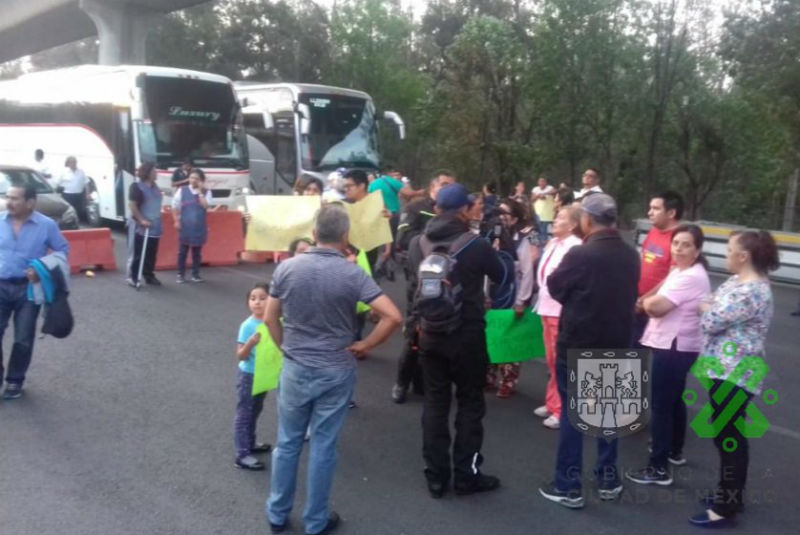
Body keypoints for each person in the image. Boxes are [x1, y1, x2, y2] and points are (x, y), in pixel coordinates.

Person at [265, 204, 402, 535]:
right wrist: (366, 345)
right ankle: (316, 521)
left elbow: (270, 316)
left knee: (287, 442)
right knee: (324, 446)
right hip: (336, 369)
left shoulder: (287, 268)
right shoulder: (353, 273)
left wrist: (285, 346)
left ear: (313, 234)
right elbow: (393, 317)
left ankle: (277, 513)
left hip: (296, 366)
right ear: (345, 237)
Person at [538, 193, 639, 509]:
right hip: (618, 341)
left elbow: (556, 287)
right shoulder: (630, 254)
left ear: (588, 220)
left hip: (581, 341)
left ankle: (568, 485)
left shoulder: (582, 255)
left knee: (573, 414)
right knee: (608, 413)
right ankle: (608, 479)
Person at [407, 183, 506, 498]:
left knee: (435, 405)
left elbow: (415, 285)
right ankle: (467, 475)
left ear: (436, 209)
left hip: (430, 334)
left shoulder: (417, 243)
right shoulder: (475, 244)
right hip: (467, 335)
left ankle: (436, 477)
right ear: (464, 210)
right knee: (470, 404)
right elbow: (502, 274)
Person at [688, 230, 779, 527]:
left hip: (735, 373)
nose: (725, 255)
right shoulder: (736, 282)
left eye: (729, 250)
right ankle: (730, 494)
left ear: (744, 256)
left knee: (729, 438)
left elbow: (711, 318)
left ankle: (726, 506)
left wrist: (708, 309)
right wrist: (709, 307)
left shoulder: (751, 291)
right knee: (727, 434)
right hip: (723, 369)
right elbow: (709, 301)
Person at [626, 225, 711, 486]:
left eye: (686, 245)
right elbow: (655, 295)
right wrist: (647, 300)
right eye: (676, 244)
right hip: (675, 345)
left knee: (662, 405)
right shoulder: (680, 271)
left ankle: (658, 468)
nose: (679, 249)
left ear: (697, 250)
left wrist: (647, 303)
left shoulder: (691, 277)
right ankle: (674, 451)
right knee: (673, 400)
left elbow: (658, 307)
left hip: (675, 346)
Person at [0, 183, 70, 399]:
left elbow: (62, 250)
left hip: (28, 290)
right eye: (7, 197)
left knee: (23, 338)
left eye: (15, 198)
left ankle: (14, 381)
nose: (9, 202)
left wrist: (42, 270)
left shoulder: (46, 225)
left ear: (30, 203)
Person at [391, 174, 447, 403]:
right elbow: (402, 238)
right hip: (419, 280)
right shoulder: (417, 207)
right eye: (443, 184)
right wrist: (428, 238)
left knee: (436, 335)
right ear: (433, 186)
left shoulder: (451, 211)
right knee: (415, 333)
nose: (447, 189)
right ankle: (401, 382)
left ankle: (422, 381)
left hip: (444, 283)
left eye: (450, 185)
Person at [533, 203, 583, 430]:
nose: (555, 220)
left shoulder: (575, 247)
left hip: (559, 310)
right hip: (546, 306)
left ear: (573, 225)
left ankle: (562, 409)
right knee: (551, 359)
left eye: (561, 217)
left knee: (559, 360)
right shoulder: (553, 242)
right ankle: (553, 402)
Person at [486, 198, 537, 398]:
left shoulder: (523, 238)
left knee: (511, 339)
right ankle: (489, 376)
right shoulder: (490, 235)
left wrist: (521, 300)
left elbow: (526, 271)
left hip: (513, 294)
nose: (501, 217)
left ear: (514, 218)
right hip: (493, 294)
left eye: (505, 213)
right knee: (492, 335)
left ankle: (508, 380)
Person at [634, 191, 684, 346]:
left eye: (655, 209)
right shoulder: (654, 231)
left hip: (655, 306)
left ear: (671, 212)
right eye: (650, 208)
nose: (649, 213)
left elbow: (672, 277)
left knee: (643, 358)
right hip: (638, 301)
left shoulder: (678, 238)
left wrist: (644, 300)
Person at [234, 283, 274, 470]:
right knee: (245, 413)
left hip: (264, 374)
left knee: (256, 410)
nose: (257, 302)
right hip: (248, 374)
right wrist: (251, 343)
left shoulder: (273, 321)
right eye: (253, 298)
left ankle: (250, 443)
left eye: (262, 298)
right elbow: (241, 355)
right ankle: (242, 454)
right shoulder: (247, 325)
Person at [343, 170, 390, 271]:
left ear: (361, 186)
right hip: (348, 253)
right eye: (345, 186)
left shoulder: (376, 203)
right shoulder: (345, 204)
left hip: (369, 251)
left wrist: (387, 248)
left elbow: (384, 225)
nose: (346, 189)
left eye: (349, 186)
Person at [173, 168, 213, 284]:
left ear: (201, 180)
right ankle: (180, 274)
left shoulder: (207, 192)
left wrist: (200, 192)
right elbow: (175, 206)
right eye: (191, 177)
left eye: (196, 178)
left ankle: (195, 274)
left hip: (199, 227)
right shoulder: (182, 190)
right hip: (185, 226)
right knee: (182, 251)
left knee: (197, 252)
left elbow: (206, 206)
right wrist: (176, 221)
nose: (193, 180)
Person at [126, 162, 163, 288]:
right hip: (140, 226)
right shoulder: (136, 187)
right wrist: (141, 220)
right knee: (137, 252)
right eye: (154, 171)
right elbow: (132, 205)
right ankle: (133, 277)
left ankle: (149, 275)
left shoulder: (155, 187)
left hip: (155, 226)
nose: (156, 173)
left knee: (151, 253)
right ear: (147, 173)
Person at [58, 156, 88, 222]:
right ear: (68, 163)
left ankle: (76, 224)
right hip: (68, 195)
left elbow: (86, 183)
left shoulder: (81, 171)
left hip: (79, 195)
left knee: (78, 211)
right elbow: (58, 183)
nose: (73, 164)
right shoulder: (64, 172)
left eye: (74, 162)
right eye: (71, 162)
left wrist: (87, 194)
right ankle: (68, 223)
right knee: (68, 211)